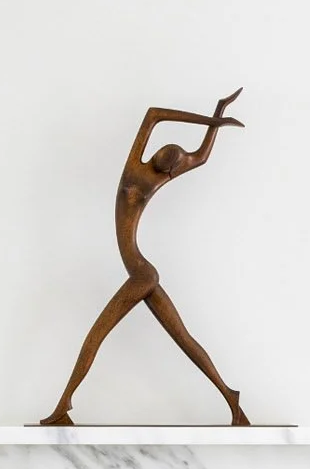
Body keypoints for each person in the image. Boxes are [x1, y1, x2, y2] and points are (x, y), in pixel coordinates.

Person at [38, 89, 250, 425]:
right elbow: (155, 115)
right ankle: (231, 400)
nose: (163, 157)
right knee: (183, 338)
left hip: (140, 274)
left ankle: (62, 406)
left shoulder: (144, 174)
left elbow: (193, 152)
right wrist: (215, 115)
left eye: (167, 158)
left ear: (167, 166)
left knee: (97, 335)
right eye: (165, 153)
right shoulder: (136, 170)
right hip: (143, 272)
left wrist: (216, 120)